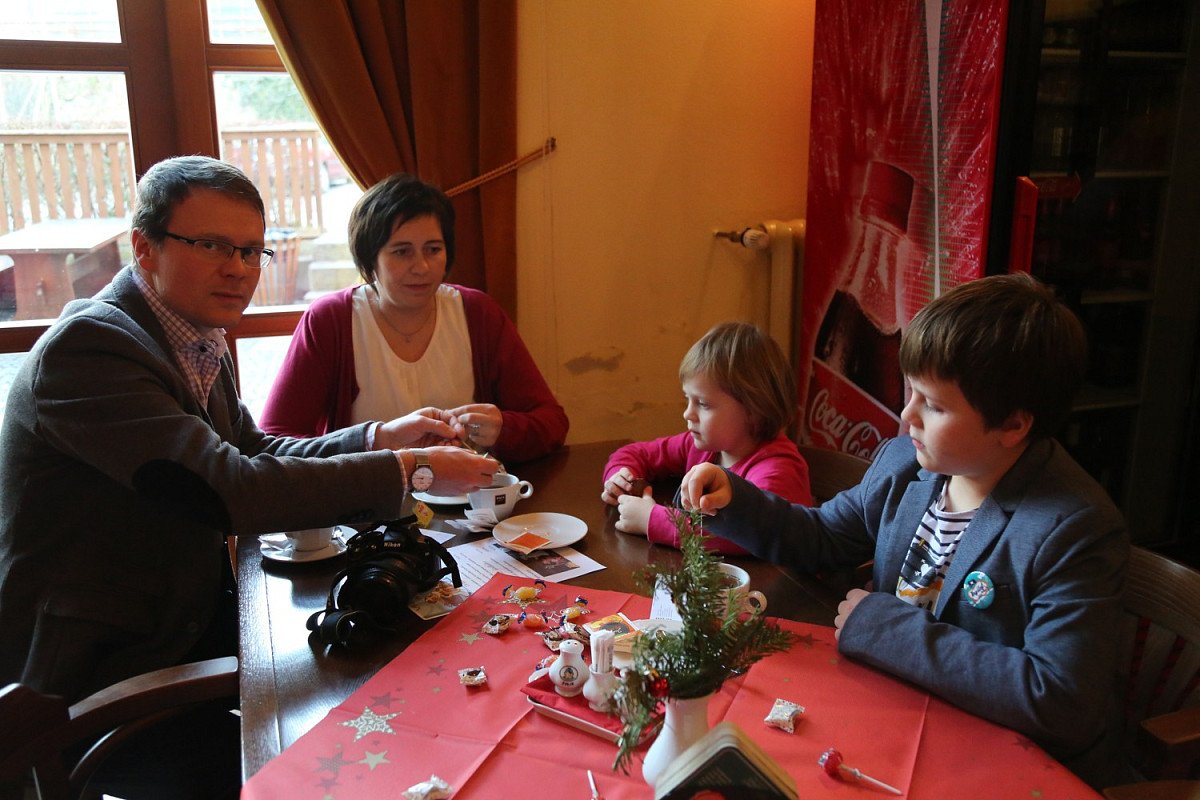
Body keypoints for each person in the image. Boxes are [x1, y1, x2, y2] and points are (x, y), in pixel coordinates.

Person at [0, 156, 495, 798]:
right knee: (345, 755)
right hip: (103, 679)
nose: (238, 268)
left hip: (182, 629)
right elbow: (229, 487)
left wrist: (379, 436)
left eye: (251, 250)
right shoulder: (92, 350)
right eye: (212, 246)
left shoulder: (190, 333)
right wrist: (410, 468)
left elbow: (253, 448)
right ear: (145, 247)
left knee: (401, 671)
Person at [678, 273, 1130, 789]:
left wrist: (887, 630)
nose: (906, 414)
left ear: (1013, 426)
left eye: (933, 405)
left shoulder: (1073, 528)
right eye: (911, 391)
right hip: (896, 710)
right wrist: (737, 500)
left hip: (1000, 763)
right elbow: (823, 537)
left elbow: (1061, 700)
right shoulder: (906, 464)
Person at [259, 172, 568, 464]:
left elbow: (552, 422)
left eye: (433, 249)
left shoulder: (478, 313)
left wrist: (504, 429)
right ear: (370, 258)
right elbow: (274, 443)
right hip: (369, 502)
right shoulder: (331, 320)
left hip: (471, 498)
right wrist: (373, 439)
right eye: (401, 252)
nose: (421, 267)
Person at [601, 321, 811, 553]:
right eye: (687, 399)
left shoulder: (778, 470)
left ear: (754, 410)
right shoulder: (704, 445)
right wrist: (621, 478)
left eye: (702, 404)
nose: (687, 413)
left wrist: (652, 519)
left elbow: (746, 535)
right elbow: (635, 453)